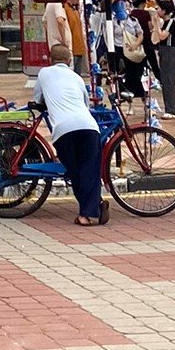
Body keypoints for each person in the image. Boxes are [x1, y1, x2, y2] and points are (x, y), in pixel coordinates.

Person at [34, 42, 107, 227]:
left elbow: (37, 99)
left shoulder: (44, 73)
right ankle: (90, 210)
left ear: (51, 60)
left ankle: (90, 211)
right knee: (89, 170)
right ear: (69, 60)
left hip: (63, 131)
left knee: (75, 171)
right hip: (88, 126)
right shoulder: (77, 78)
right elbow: (85, 103)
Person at [145, 0, 175, 119]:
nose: (157, 10)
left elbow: (162, 36)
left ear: (165, 10)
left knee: (168, 80)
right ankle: (173, 108)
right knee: (167, 80)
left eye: (159, 9)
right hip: (163, 50)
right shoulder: (164, 22)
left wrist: (155, 24)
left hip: (169, 51)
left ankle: (171, 109)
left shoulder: (171, 22)